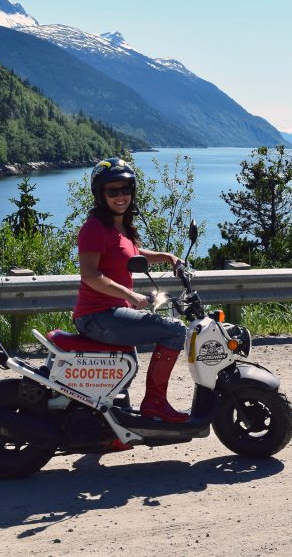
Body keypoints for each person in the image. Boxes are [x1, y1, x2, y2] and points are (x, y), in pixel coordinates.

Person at [71, 157, 190, 423]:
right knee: (174, 330)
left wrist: (168, 257)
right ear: (100, 195)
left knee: (124, 369)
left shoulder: (120, 227)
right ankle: (155, 404)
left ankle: (111, 425)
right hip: (97, 315)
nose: (120, 195)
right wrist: (129, 295)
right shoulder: (94, 228)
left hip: (110, 313)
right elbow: (90, 275)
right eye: (112, 191)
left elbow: (133, 255)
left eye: (125, 189)